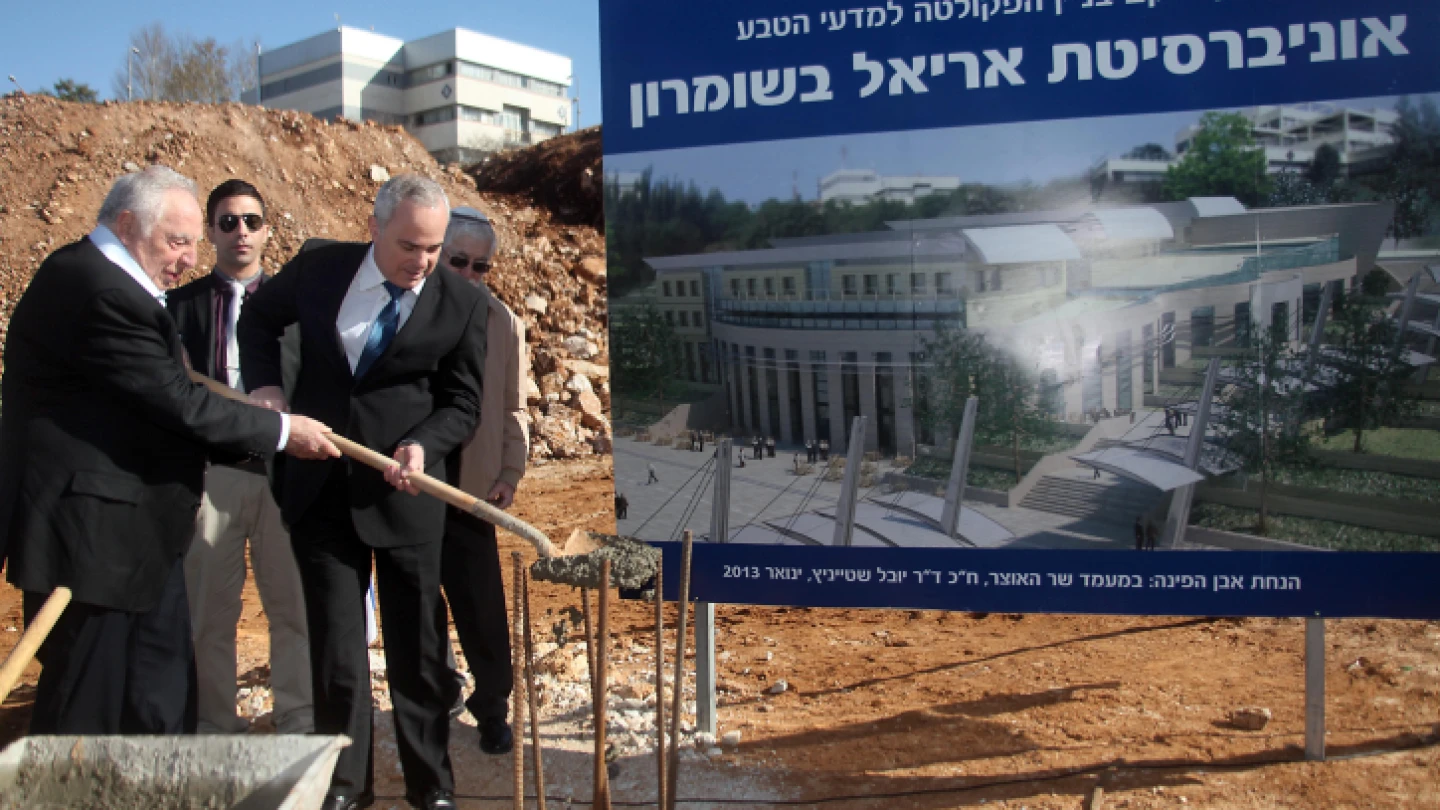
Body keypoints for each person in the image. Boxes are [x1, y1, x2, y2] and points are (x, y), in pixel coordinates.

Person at [0, 166, 338, 736]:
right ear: (128, 224)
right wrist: (284, 432)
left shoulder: (109, 283)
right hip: (92, 544)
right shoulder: (97, 289)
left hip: (135, 540)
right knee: (93, 713)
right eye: (176, 241)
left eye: (188, 244)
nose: (186, 258)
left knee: (156, 699)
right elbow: (178, 401)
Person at [239, 174, 486, 810]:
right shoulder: (320, 269)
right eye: (410, 245)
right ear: (373, 227)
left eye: (433, 249)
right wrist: (267, 390)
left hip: (405, 493)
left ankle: (431, 784)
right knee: (338, 654)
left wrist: (424, 444)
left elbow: (462, 402)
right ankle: (346, 789)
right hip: (318, 489)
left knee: (418, 650)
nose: (423, 262)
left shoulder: (460, 303)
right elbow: (260, 318)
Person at [166, 179, 313, 735]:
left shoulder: (298, 310)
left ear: (268, 230)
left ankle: (298, 719)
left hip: (284, 479)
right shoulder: (175, 308)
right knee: (209, 618)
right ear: (209, 232)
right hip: (214, 478)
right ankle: (214, 728)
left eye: (252, 220)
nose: (241, 232)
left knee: (292, 610)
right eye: (228, 222)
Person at [434, 207, 528, 755]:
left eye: (481, 266)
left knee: (483, 609)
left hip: (472, 488)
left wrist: (510, 473)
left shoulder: (503, 322)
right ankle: (434, 693)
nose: (470, 274)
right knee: (421, 605)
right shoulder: (405, 311)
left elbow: (515, 406)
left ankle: (491, 706)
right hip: (414, 483)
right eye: (459, 261)